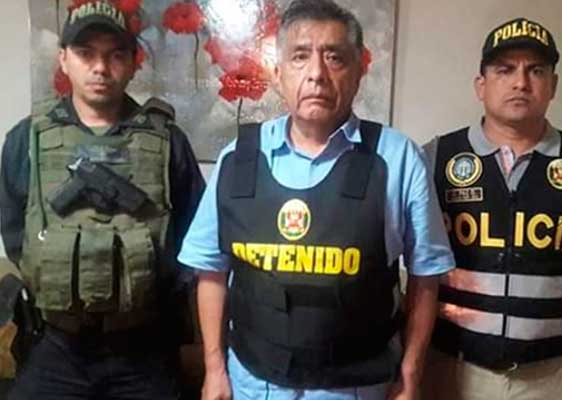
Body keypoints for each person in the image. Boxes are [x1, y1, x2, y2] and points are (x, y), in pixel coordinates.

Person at [177, 0, 454, 399]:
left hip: (356, 387)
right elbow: (210, 270)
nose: (317, 74)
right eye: (300, 56)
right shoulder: (237, 159)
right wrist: (214, 369)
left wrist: (411, 375)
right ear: (277, 73)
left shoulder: (398, 159)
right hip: (254, 384)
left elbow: (426, 277)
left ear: (359, 70)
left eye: (335, 57)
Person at [0, 1, 205, 399]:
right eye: (85, 53)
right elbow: (15, 232)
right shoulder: (27, 139)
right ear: (63, 59)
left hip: (143, 348)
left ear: (133, 63)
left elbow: (194, 240)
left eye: (115, 55)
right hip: (56, 345)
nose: (100, 68)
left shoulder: (168, 141)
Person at [421, 17, 562, 400]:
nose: (521, 82)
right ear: (481, 85)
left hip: (548, 377)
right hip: (450, 369)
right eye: (505, 70)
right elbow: (416, 271)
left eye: (536, 70)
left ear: (553, 85)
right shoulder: (435, 158)